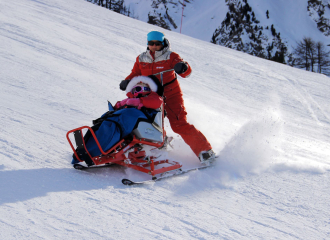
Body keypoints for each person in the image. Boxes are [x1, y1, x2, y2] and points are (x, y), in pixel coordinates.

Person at [119, 31, 215, 162]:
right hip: (152, 97)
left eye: (157, 44)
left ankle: (205, 152)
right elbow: (135, 73)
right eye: (151, 43)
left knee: (178, 124)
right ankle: (157, 149)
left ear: (163, 43)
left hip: (171, 95)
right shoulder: (141, 58)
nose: (154, 46)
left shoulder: (171, 56)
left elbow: (187, 72)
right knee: (151, 124)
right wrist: (127, 81)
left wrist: (183, 67)